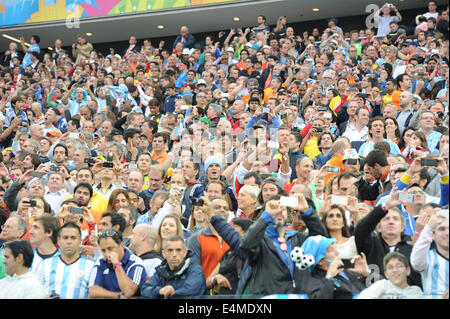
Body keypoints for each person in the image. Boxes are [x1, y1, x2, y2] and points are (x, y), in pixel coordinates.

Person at [239, 194, 327, 295]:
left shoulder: (298, 238)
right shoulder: (260, 240)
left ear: (288, 214)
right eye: (273, 208)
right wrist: (266, 216)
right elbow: (246, 245)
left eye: (283, 208)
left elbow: (321, 239)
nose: (279, 211)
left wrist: (307, 212)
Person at [354, 189, 422, 288]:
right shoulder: (369, 244)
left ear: (402, 227)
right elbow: (361, 229)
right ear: (379, 227)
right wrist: (384, 206)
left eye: (395, 219)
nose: (391, 222)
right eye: (386, 218)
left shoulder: (412, 250)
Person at [34, 222, 95, 299]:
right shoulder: (45, 264)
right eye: (65, 238)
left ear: (80, 241)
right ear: (58, 241)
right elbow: (34, 292)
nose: (69, 242)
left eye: (73, 238)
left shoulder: (91, 266)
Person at [300, 235, 370, 299]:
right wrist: (329, 277)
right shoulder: (313, 281)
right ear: (319, 261)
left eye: (335, 248)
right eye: (331, 250)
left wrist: (367, 274)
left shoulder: (345, 271)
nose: (337, 252)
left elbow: (379, 288)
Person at [141, 235, 206, 299]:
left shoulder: (195, 270)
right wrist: (160, 291)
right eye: (170, 250)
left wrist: (172, 293)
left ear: (185, 253)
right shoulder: (161, 270)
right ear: (164, 254)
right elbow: (145, 289)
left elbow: (191, 291)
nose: (174, 254)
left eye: (178, 250)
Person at [88, 229, 147, 298]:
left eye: (110, 249)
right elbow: (93, 291)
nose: (107, 254)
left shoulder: (135, 263)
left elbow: (128, 292)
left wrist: (116, 264)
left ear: (121, 245)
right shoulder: (101, 261)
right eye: (103, 250)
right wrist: (117, 296)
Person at [411, 211, 449, 298]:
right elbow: (416, 263)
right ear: (432, 235)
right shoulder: (427, 257)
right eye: (442, 229)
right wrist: (428, 228)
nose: (447, 233)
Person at [358, 252, 423, 299]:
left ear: (408, 270)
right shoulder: (382, 285)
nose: (394, 270)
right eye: (390, 267)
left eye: (399, 266)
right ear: (386, 274)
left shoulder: (416, 291)